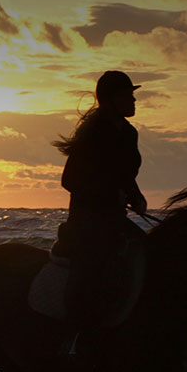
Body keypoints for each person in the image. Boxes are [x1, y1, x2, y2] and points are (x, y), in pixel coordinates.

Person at [50, 70, 147, 331]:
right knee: (91, 271)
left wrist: (136, 196)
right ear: (111, 99)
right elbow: (70, 180)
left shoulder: (129, 133)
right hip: (87, 222)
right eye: (128, 95)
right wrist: (108, 194)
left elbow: (125, 175)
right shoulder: (93, 133)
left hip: (115, 220)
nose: (134, 101)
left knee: (148, 255)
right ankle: (72, 334)